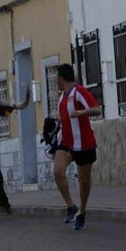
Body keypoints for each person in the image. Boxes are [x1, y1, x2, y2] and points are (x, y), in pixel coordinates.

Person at [52, 64, 102, 231]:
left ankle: (82, 211)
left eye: (56, 78)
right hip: (66, 143)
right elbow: (65, 116)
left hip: (84, 143)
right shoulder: (62, 97)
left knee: (84, 180)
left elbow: (97, 109)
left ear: (61, 78)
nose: (56, 81)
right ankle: (70, 206)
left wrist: (81, 113)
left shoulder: (79, 91)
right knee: (58, 171)